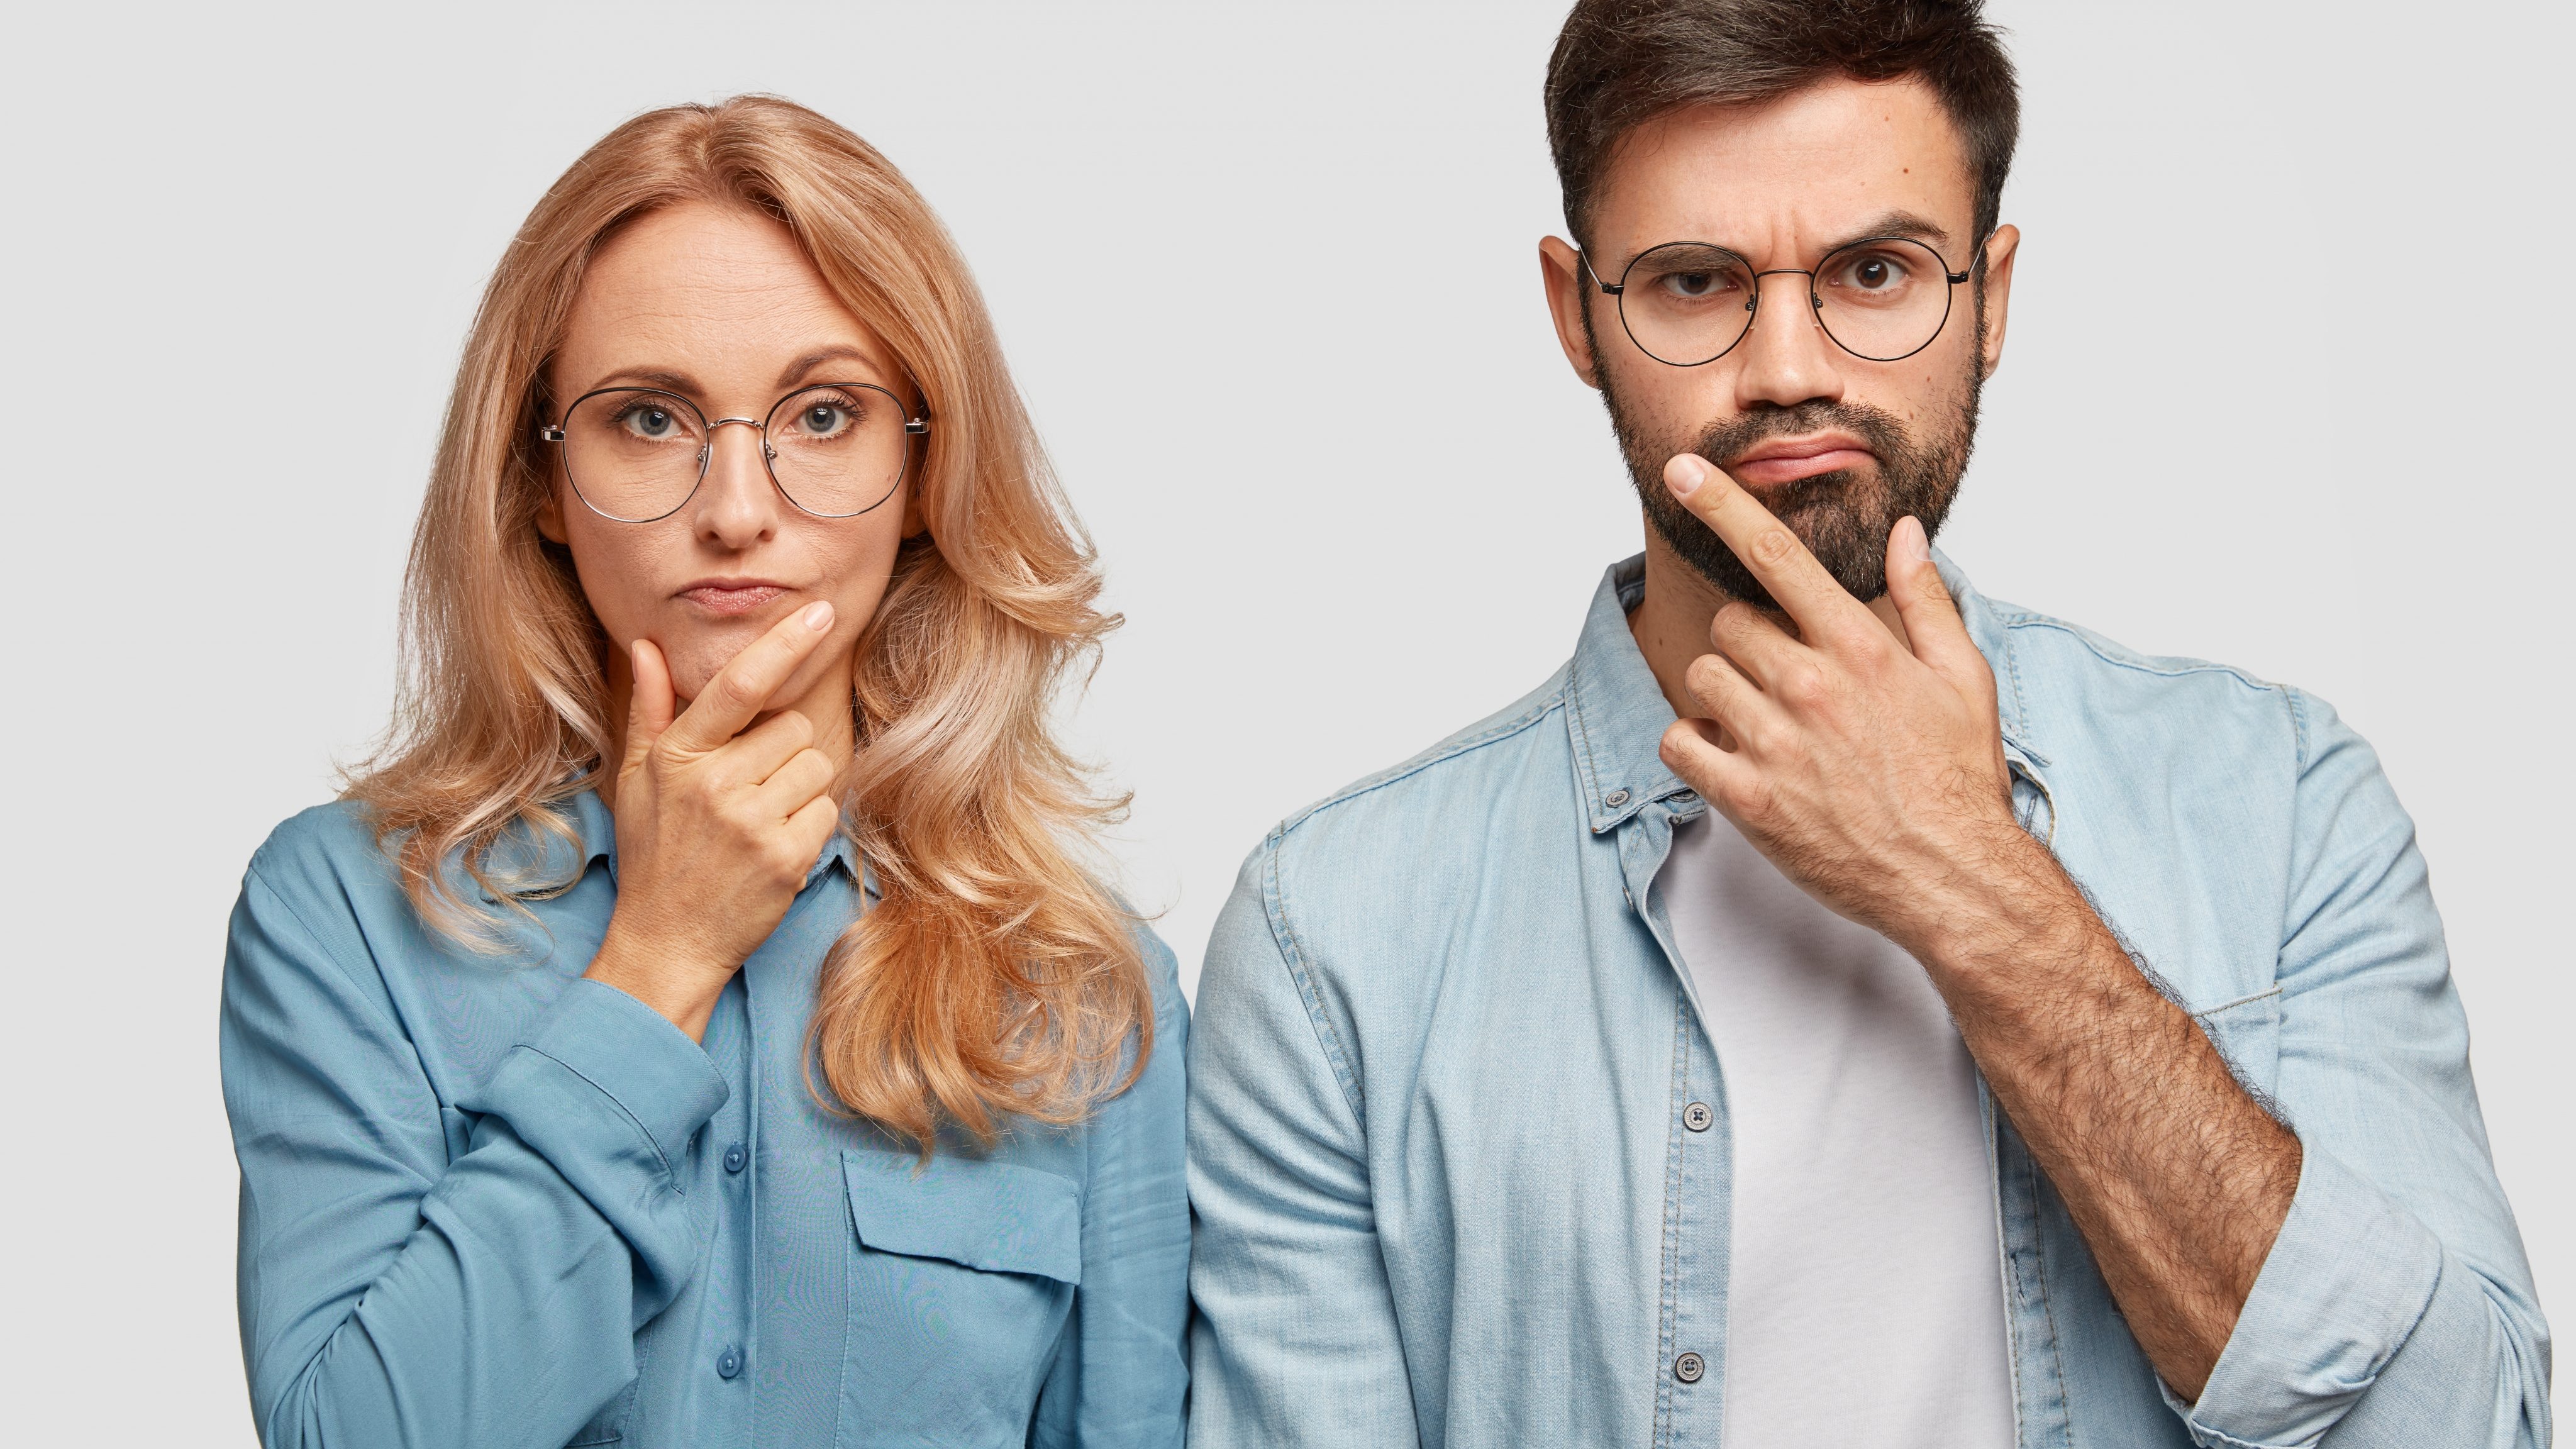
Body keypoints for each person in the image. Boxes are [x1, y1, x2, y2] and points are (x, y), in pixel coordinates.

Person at [1184, 3, 2548, 1446]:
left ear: (1991, 295)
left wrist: (1966, 876)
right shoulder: (1332, 936)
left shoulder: (2278, 807)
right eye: (1696, 281)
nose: (1787, 367)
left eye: (1876, 271)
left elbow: (2462, 1425)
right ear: (1574, 313)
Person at [219, 97, 1187, 1449]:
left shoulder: (1090, 991)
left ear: (922, 467)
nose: (736, 509)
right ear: (541, 482)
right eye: (650, 420)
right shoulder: (346, 914)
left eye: (825, 412)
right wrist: (657, 960)